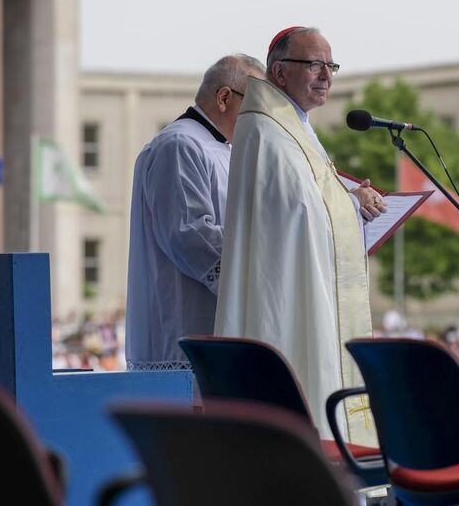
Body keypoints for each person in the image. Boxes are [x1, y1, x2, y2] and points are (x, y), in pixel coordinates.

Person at [215, 26, 384, 442]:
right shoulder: (266, 129)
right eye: (314, 64)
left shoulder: (296, 127)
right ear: (279, 72)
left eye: (331, 65)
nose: (326, 74)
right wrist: (351, 203)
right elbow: (299, 211)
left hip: (306, 284)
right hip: (285, 294)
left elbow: (309, 196)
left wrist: (351, 195)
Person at [125, 54, 266, 370]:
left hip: (218, 328)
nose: (262, 117)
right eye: (258, 104)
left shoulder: (226, 151)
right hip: (182, 331)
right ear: (224, 97)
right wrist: (263, 264)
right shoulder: (179, 145)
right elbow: (191, 236)